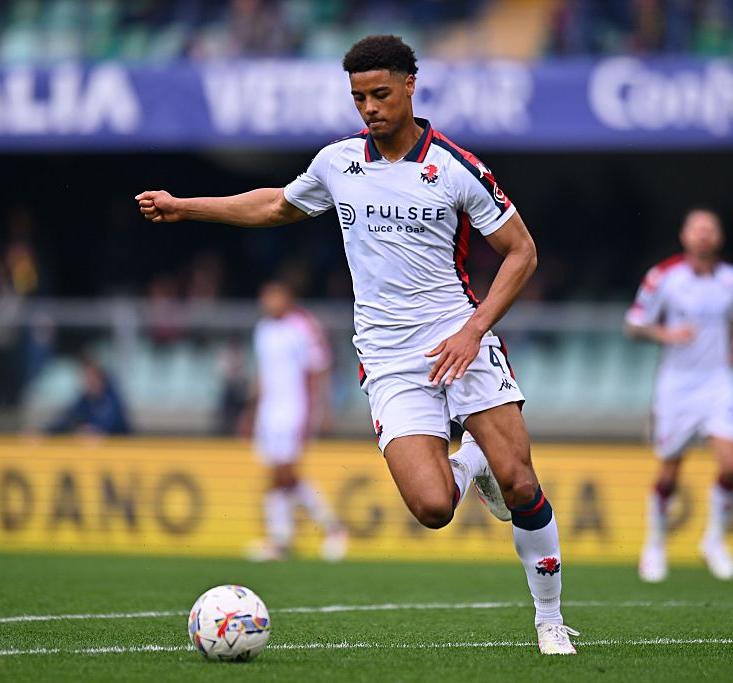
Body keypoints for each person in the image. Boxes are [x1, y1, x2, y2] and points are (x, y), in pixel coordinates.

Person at [136, 35, 578, 655]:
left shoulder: (454, 166)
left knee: (522, 483)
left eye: (380, 94)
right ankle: (471, 461)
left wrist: (474, 329)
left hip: (460, 339)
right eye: (359, 97)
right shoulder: (336, 163)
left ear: (410, 86)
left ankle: (549, 621)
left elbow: (521, 252)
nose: (369, 107)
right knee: (432, 508)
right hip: (390, 360)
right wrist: (187, 207)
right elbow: (276, 206)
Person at [625, 208, 733, 583]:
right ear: (684, 236)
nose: (703, 234)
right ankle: (655, 545)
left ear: (719, 237)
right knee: (670, 471)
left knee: (729, 463)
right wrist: (667, 334)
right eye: (697, 228)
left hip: (717, 382)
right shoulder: (663, 277)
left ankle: (714, 541)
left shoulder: (730, 278)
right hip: (677, 385)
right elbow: (633, 324)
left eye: (710, 229)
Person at [246, 280, 348, 562]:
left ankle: (329, 528)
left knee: (287, 472)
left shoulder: (303, 325)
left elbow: (320, 368)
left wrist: (323, 410)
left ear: (288, 297)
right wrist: (251, 411)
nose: (268, 302)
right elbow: (263, 373)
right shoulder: (263, 329)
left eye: (274, 296)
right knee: (276, 475)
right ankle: (283, 540)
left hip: (295, 408)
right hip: (269, 410)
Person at [47, 358, 131, 436]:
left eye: (92, 378)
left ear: (100, 379)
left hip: (120, 444)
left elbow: (108, 425)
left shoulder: (111, 398)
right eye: (86, 378)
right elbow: (68, 420)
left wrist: (91, 430)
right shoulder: (84, 400)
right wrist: (48, 431)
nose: (89, 382)